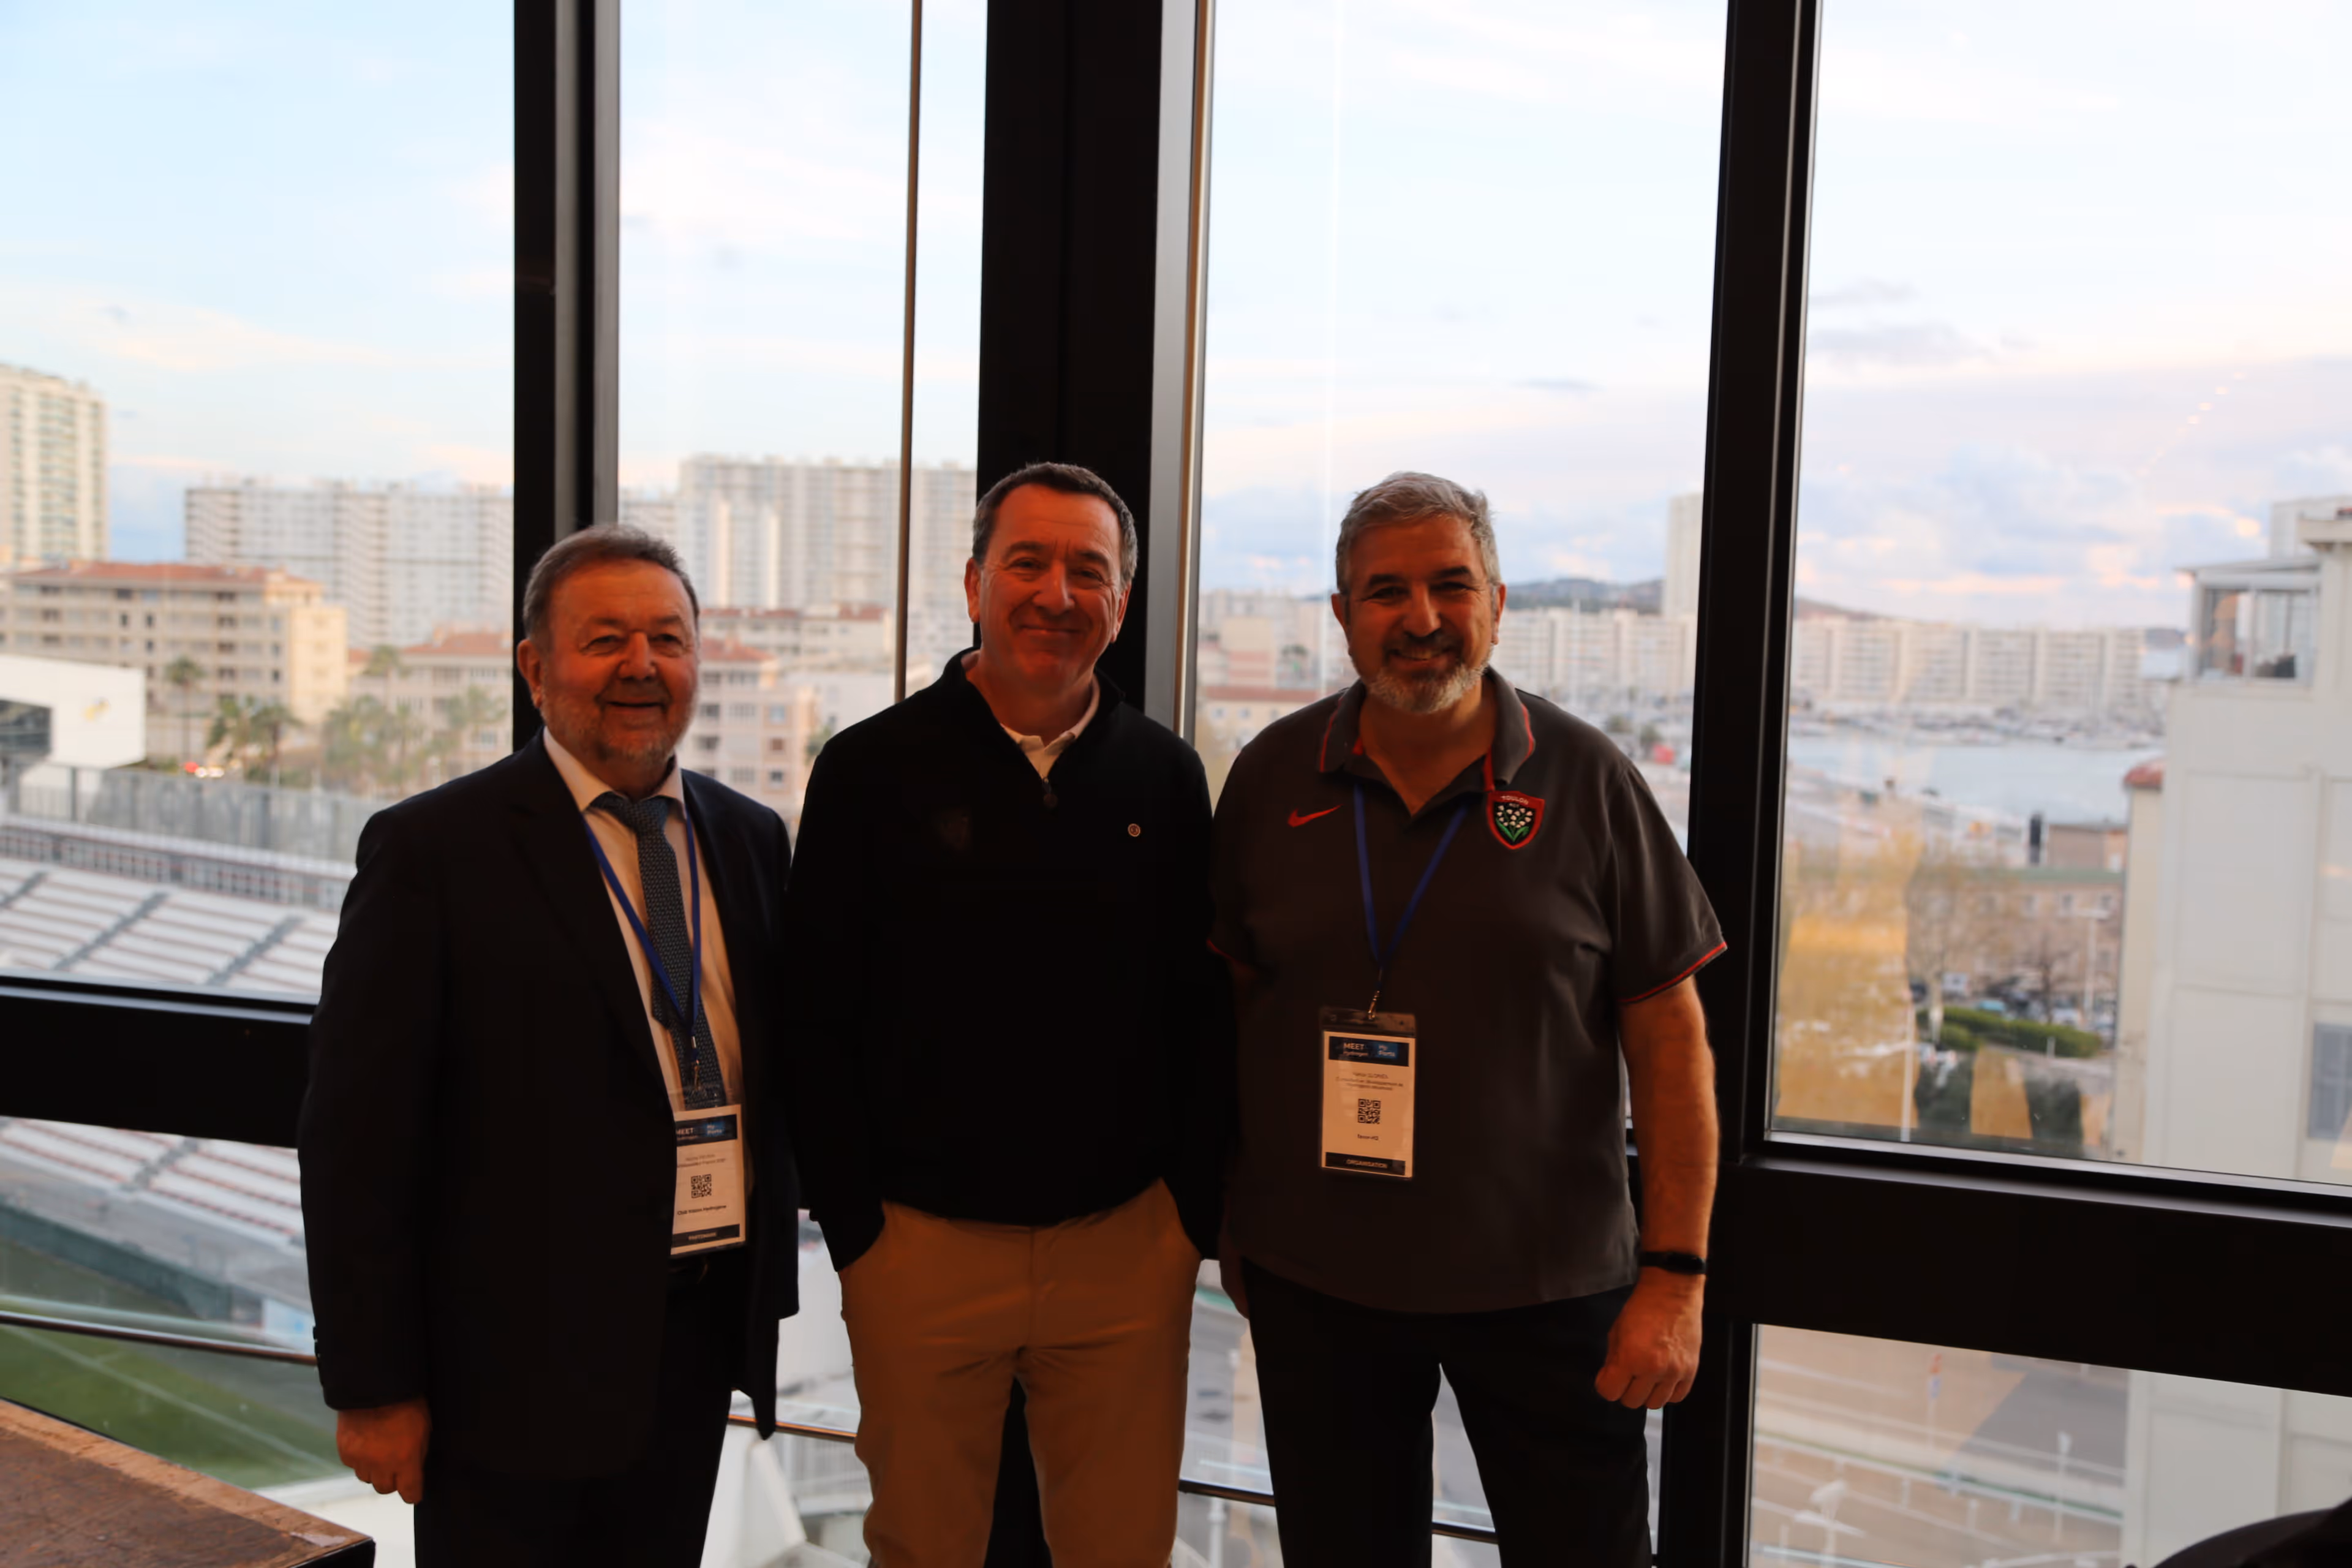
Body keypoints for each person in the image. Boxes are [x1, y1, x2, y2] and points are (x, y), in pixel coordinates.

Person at [1208, 472, 1724, 1567]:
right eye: (1385, 592)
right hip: (1321, 1288)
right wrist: (1235, 1218)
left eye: (1451, 586)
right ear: (1342, 616)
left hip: (1551, 1292)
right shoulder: (1267, 780)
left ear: (1499, 602)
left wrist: (1676, 1276)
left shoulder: (1590, 782)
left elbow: (1671, 1041)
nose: (1422, 619)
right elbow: (1233, 1017)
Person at [299, 526, 800, 1567]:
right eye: (605, 638)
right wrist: (374, 1385)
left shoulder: (751, 839)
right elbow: (358, 1143)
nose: (640, 665)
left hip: (692, 1346)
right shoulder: (435, 851)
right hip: (506, 1381)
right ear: (536, 668)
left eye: (668, 637)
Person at [784, 461, 1221, 1568]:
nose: (1057, 593)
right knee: (923, 1550)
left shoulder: (1166, 779)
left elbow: (1201, 1011)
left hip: (1126, 1254)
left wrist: (1186, 1226)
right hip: (919, 1251)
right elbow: (813, 1014)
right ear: (975, 580)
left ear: (1121, 604)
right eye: (1028, 562)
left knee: (1122, 1551)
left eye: (1090, 570)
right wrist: (861, 1239)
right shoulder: (869, 770)